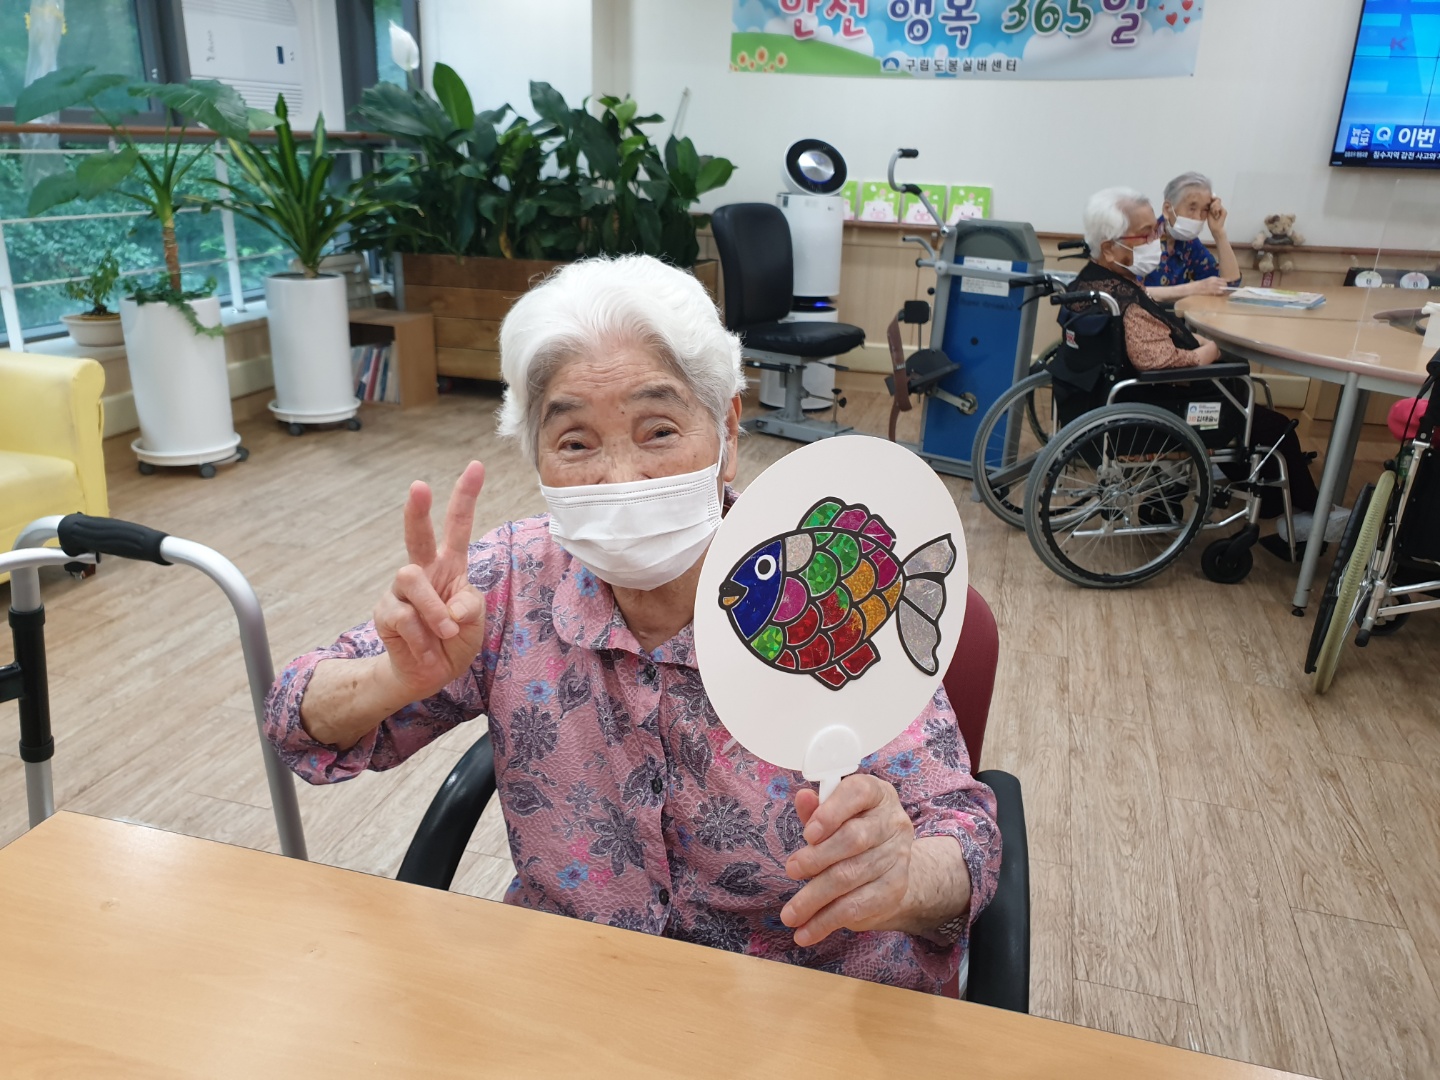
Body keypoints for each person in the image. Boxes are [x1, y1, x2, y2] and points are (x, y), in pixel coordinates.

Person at [263, 255, 1000, 995]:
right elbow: (295, 717)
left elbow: (965, 837)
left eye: (659, 431)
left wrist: (904, 875)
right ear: (537, 458)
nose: (619, 479)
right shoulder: (509, 579)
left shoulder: (811, 585)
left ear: (727, 431)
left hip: (804, 995)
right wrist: (391, 678)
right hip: (579, 988)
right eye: (575, 442)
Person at [1057, 187, 1348, 546]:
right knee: (1273, 428)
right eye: (1146, 234)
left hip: (1107, 402)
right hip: (1158, 409)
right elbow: (1161, 363)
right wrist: (1210, 350)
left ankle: (1273, 504)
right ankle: (1313, 514)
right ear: (1109, 248)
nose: (1155, 241)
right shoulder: (1127, 304)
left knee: (1247, 418)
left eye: (1156, 231)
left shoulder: (1092, 284)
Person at [1144, 171, 1243, 305]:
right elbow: (1130, 291)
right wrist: (1192, 289)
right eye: (1192, 208)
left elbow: (1229, 285)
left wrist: (1219, 233)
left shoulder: (1189, 244)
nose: (1197, 217)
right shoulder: (1142, 239)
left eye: (1204, 210)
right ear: (1167, 209)